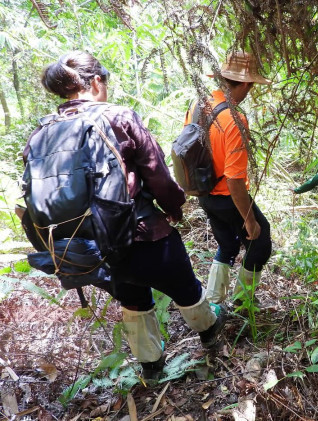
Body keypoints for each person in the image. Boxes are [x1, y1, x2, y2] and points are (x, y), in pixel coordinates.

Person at [29, 51, 226, 382]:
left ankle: (151, 368)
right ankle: (211, 337)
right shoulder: (118, 117)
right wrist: (175, 207)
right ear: (95, 81)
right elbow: (156, 172)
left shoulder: (43, 131)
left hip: (90, 244)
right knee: (185, 287)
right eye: (105, 80)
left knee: (133, 299)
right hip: (141, 231)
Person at [183, 51, 272, 306]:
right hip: (226, 197)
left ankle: (213, 302)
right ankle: (243, 306)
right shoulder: (234, 118)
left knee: (228, 245)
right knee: (260, 242)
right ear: (245, 83)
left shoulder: (198, 104)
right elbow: (234, 180)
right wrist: (249, 220)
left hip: (204, 193)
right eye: (251, 85)